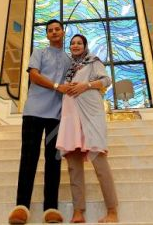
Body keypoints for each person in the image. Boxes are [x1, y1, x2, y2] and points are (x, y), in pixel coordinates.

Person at [8, 19, 71, 225]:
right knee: (29, 158)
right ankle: (21, 207)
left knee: (54, 161)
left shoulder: (69, 60)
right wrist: (56, 86)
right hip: (33, 113)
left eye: (57, 29)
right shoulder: (39, 53)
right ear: (47, 35)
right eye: (50, 30)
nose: (54, 32)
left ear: (63, 32)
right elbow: (34, 76)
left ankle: (51, 208)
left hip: (57, 116)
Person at [57, 34, 118, 223]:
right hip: (70, 116)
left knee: (99, 162)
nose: (75, 46)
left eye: (79, 43)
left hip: (90, 114)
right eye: (72, 43)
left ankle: (112, 211)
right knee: (73, 166)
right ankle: (78, 211)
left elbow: (106, 80)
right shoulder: (67, 68)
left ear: (85, 46)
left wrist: (87, 85)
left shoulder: (93, 61)